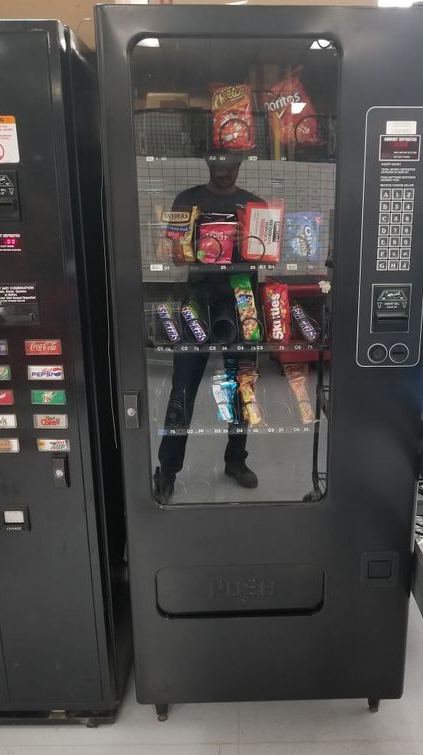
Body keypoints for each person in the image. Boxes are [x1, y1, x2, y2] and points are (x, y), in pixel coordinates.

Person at [154, 152, 262, 504]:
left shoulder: (255, 206)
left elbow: (268, 252)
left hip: (241, 301)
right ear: (206, 161)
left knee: (240, 385)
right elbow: (171, 254)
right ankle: (167, 471)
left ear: (241, 164)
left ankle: (235, 460)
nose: (224, 167)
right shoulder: (186, 201)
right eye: (217, 159)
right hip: (196, 300)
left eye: (231, 160)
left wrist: (252, 242)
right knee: (182, 388)